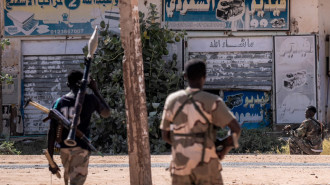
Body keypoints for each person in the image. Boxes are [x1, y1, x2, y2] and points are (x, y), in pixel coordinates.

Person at [160, 59, 241, 185]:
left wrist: (182, 143)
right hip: (206, 163)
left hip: (180, 165)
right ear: (205, 77)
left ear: (185, 76)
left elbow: (165, 135)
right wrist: (223, 150)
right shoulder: (213, 101)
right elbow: (236, 129)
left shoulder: (172, 100)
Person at [47, 70, 110, 185]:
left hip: (64, 149)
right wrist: (95, 89)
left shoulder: (59, 103)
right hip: (82, 148)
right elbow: (106, 113)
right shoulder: (91, 99)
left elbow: (51, 132)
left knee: (70, 181)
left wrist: (51, 160)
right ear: (86, 84)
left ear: (67, 85)